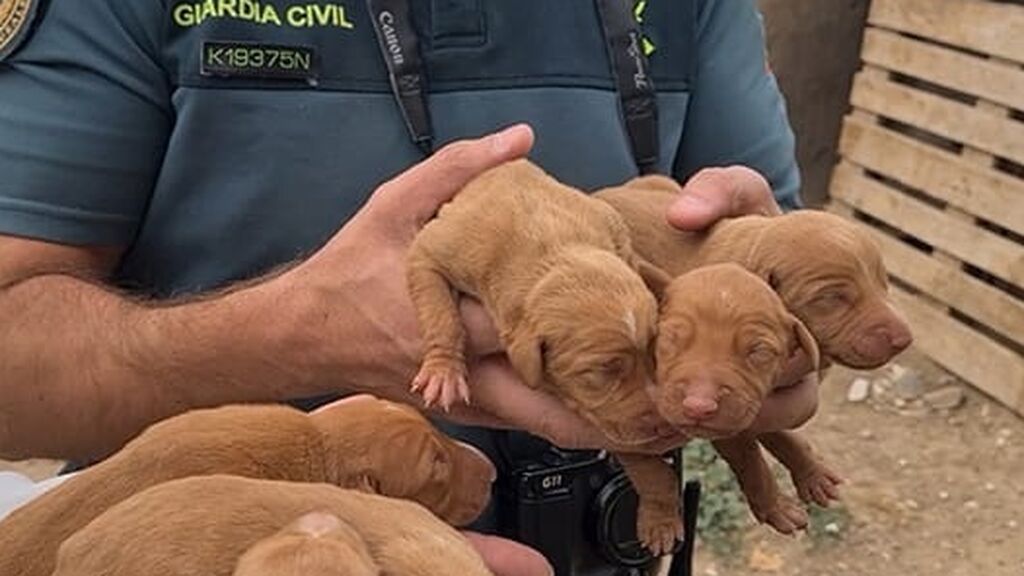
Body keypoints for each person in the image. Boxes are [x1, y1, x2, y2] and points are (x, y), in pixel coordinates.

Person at [0, 1, 820, 574]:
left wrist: (758, 301)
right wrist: (296, 334)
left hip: (606, 542)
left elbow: (772, 291)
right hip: (231, 553)